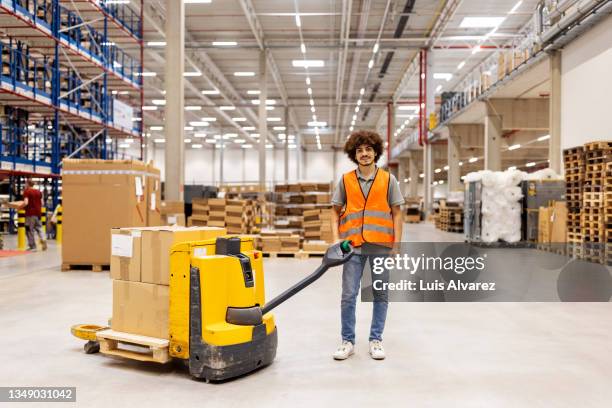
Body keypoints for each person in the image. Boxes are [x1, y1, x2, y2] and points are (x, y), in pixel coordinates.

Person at [331, 130, 404, 361]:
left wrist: (396, 245)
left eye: (368, 149)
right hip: (352, 248)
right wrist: (336, 240)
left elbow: (397, 214)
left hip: (381, 247)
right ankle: (347, 341)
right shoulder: (345, 180)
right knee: (348, 295)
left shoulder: (388, 179)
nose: (364, 154)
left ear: (376, 153)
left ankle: (376, 340)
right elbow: (334, 212)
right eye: (359, 150)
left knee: (380, 294)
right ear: (354, 154)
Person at [21, 179, 47, 251]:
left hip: (30, 214)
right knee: (39, 228)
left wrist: (20, 207)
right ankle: (43, 239)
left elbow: (26, 202)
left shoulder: (27, 191)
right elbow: (42, 203)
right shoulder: (39, 192)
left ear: (28, 184)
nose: (25, 185)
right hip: (38, 213)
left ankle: (33, 246)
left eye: (25, 183)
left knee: (29, 230)